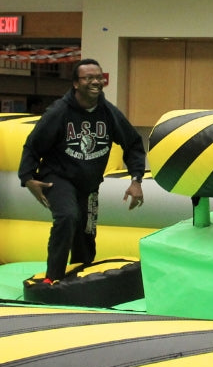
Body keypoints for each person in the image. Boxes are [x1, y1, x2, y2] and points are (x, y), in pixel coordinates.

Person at [18, 59, 146, 284]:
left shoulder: (109, 113)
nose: (95, 82)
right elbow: (32, 145)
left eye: (99, 77)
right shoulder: (59, 112)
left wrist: (136, 180)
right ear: (76, 84)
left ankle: (82, 280)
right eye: (89, 78)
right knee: (67, 216)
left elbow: (133, 144)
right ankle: (53, 279)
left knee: (86, 233)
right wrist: (27, 178)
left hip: (88, 183)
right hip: (57, 177)